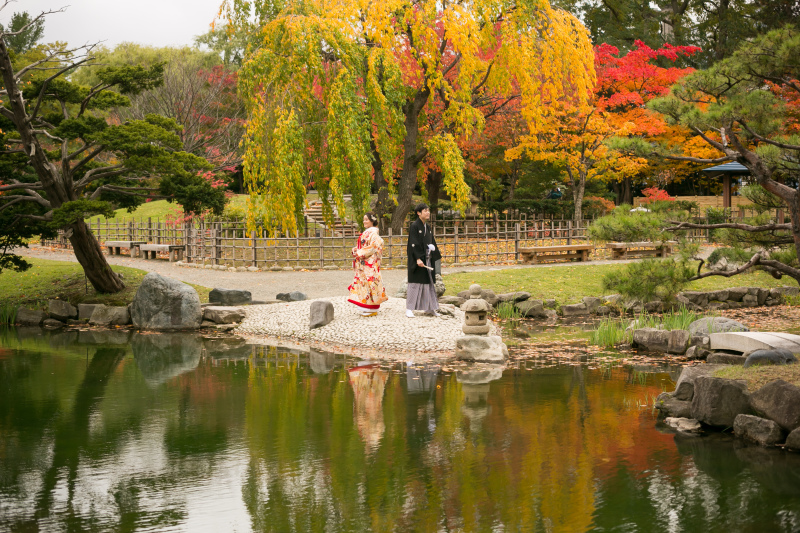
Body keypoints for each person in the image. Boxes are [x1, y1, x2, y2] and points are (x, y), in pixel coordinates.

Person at [347, 212, 388, 317]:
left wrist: (360, 252)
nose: (364, 221)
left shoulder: (373, 233)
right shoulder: (368, 232)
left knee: (370, 284)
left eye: (366, 219)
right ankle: (366, 307)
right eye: (364, 219)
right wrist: (357, 250)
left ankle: (370, 308)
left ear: (372, 221)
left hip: (369, 262)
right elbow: (365, 245)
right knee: (363, 284)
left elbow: (374, 246)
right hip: (363, 262)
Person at [405, 203, 442, 318]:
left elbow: (432, 241)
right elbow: (413, 243)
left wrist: (434, 251)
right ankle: (409, 308)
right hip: (418, 259)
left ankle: (429, 308)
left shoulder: (427, 226)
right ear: (418, 213)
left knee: (428, 283)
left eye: (428, 210)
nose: (428, 213)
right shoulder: (415, 226)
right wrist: (418, 258)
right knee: (415, 283)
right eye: (425, 211)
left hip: (427, 259)